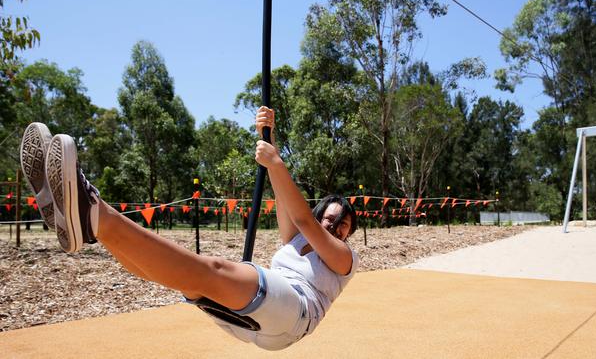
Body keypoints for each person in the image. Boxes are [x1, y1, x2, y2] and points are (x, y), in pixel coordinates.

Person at [19, 107, 358, 351]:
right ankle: (91, 226)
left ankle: (93, 210)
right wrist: (271, 140)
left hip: (293, 312)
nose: (337, 228)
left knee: (214, 268)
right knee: (184, 276)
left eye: (344, 225)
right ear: (320, 214)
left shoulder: (343, 259)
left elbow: (303, 219)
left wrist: (276, 162)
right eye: (331, 219)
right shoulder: (296, 241)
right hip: (264, 321)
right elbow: (286, 200)